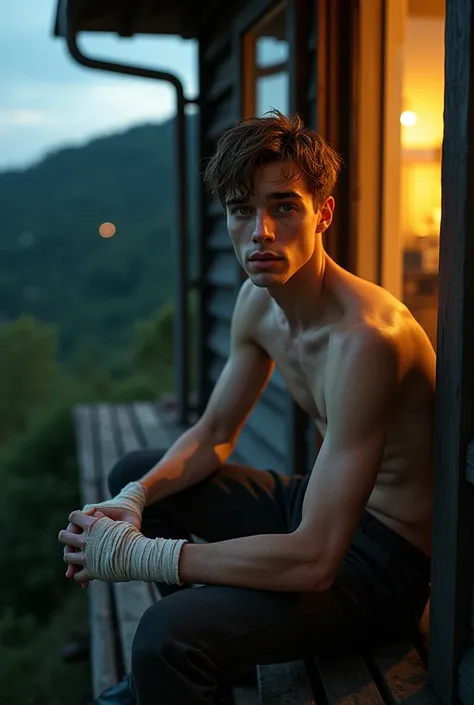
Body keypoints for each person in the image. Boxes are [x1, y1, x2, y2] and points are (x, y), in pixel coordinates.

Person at [58, 111, 435, 705]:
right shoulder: (258, 303)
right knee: (135, 474)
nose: (260, 230)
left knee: (163, 636)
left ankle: (177, 659)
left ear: (323, 215)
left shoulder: (368, 340)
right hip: (317, 509)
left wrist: (145, 556)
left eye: (284, 206)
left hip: (383, 566)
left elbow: (315, 560)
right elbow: (212, 433)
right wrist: (133, 502)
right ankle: (193, 666)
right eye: (241, 210)